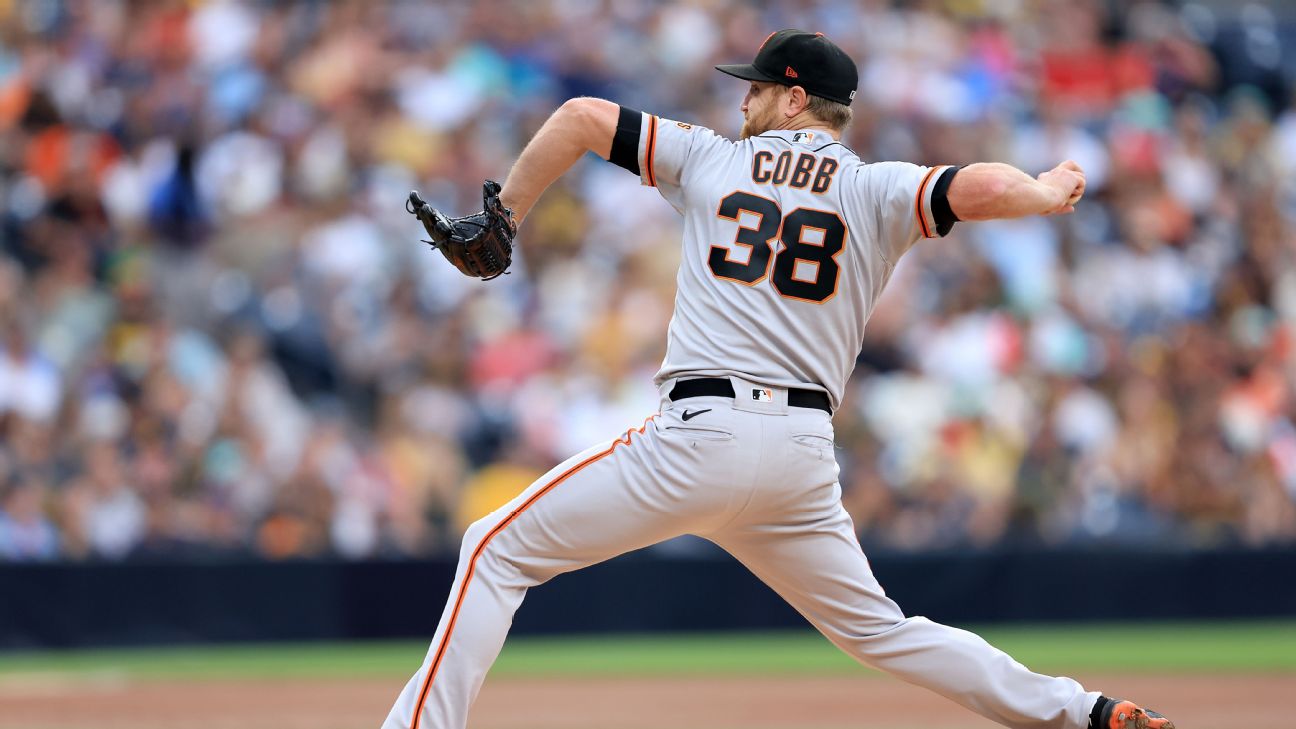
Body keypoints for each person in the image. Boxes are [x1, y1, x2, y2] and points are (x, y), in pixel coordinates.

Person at [383, 29, 1175, 729]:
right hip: (799, 457)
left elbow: (583, 117)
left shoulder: (710, 158)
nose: (745, 102)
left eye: (757, 88)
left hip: (699, 436)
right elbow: (979, 186)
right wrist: (1042, 191)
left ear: (795, 98)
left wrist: (506, 213)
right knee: (882, 631)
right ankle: (1083, 711)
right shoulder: (878, 187)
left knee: (493, 547)